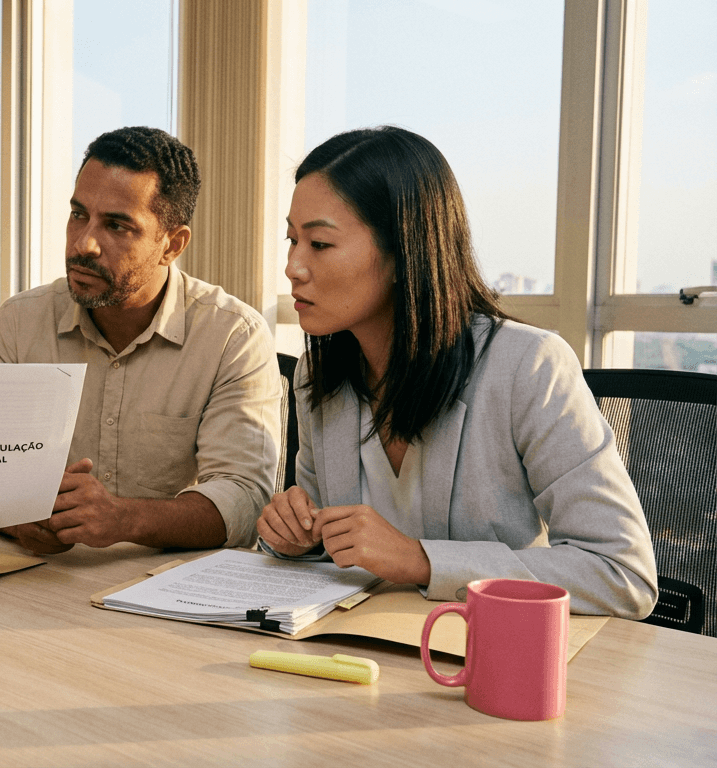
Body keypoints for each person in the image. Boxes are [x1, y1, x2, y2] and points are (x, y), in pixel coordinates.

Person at [259, 126, 658, 618]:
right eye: (291, 239)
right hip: (358, 654)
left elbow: (622, 573)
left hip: (489, 662)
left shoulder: (528, 367)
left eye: (319, 243)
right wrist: (293, 537)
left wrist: (423, 561)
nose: (292, 266)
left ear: (405, 250)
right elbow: (327, 544)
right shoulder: (317, 375)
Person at [0, 126, 283, 554]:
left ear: (172, 245)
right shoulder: (19, 323)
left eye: (117, 226)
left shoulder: (233, 336)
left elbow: (245, 501)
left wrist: (123, 518)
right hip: (36, 576)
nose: (83, 244)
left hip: (169, 592)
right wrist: (11, 518)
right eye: (78, 214)